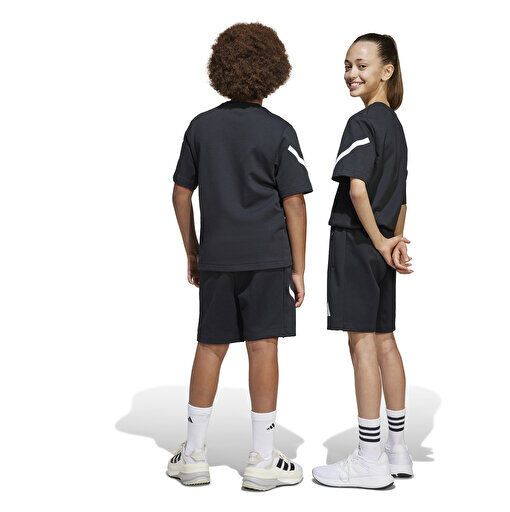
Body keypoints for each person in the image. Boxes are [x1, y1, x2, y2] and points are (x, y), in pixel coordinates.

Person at [168, 23, 311, 491]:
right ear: (273, 70)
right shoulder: (280, 130)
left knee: (210, 347)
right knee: (263, 347)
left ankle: (193, 456)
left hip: (217, 258)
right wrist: (299, 268)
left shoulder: (200, 127)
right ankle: (262, 459)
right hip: (268, 259)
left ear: (222, 68)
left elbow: (181, 194)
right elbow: (294, 202)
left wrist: (193, 250)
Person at [312, 33, 414, 489]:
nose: (351, 74)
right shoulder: (396, 126)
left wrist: (377, 243)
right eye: (347, 66)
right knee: (385, 340)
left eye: (361, 65)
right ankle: (398, 450)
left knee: (363, 345)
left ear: (386, 71)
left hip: (358, 243)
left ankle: (369, 457)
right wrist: (394, 242)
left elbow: (356, 190)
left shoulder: (362, 123)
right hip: (383, 244)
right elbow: (402, 197)